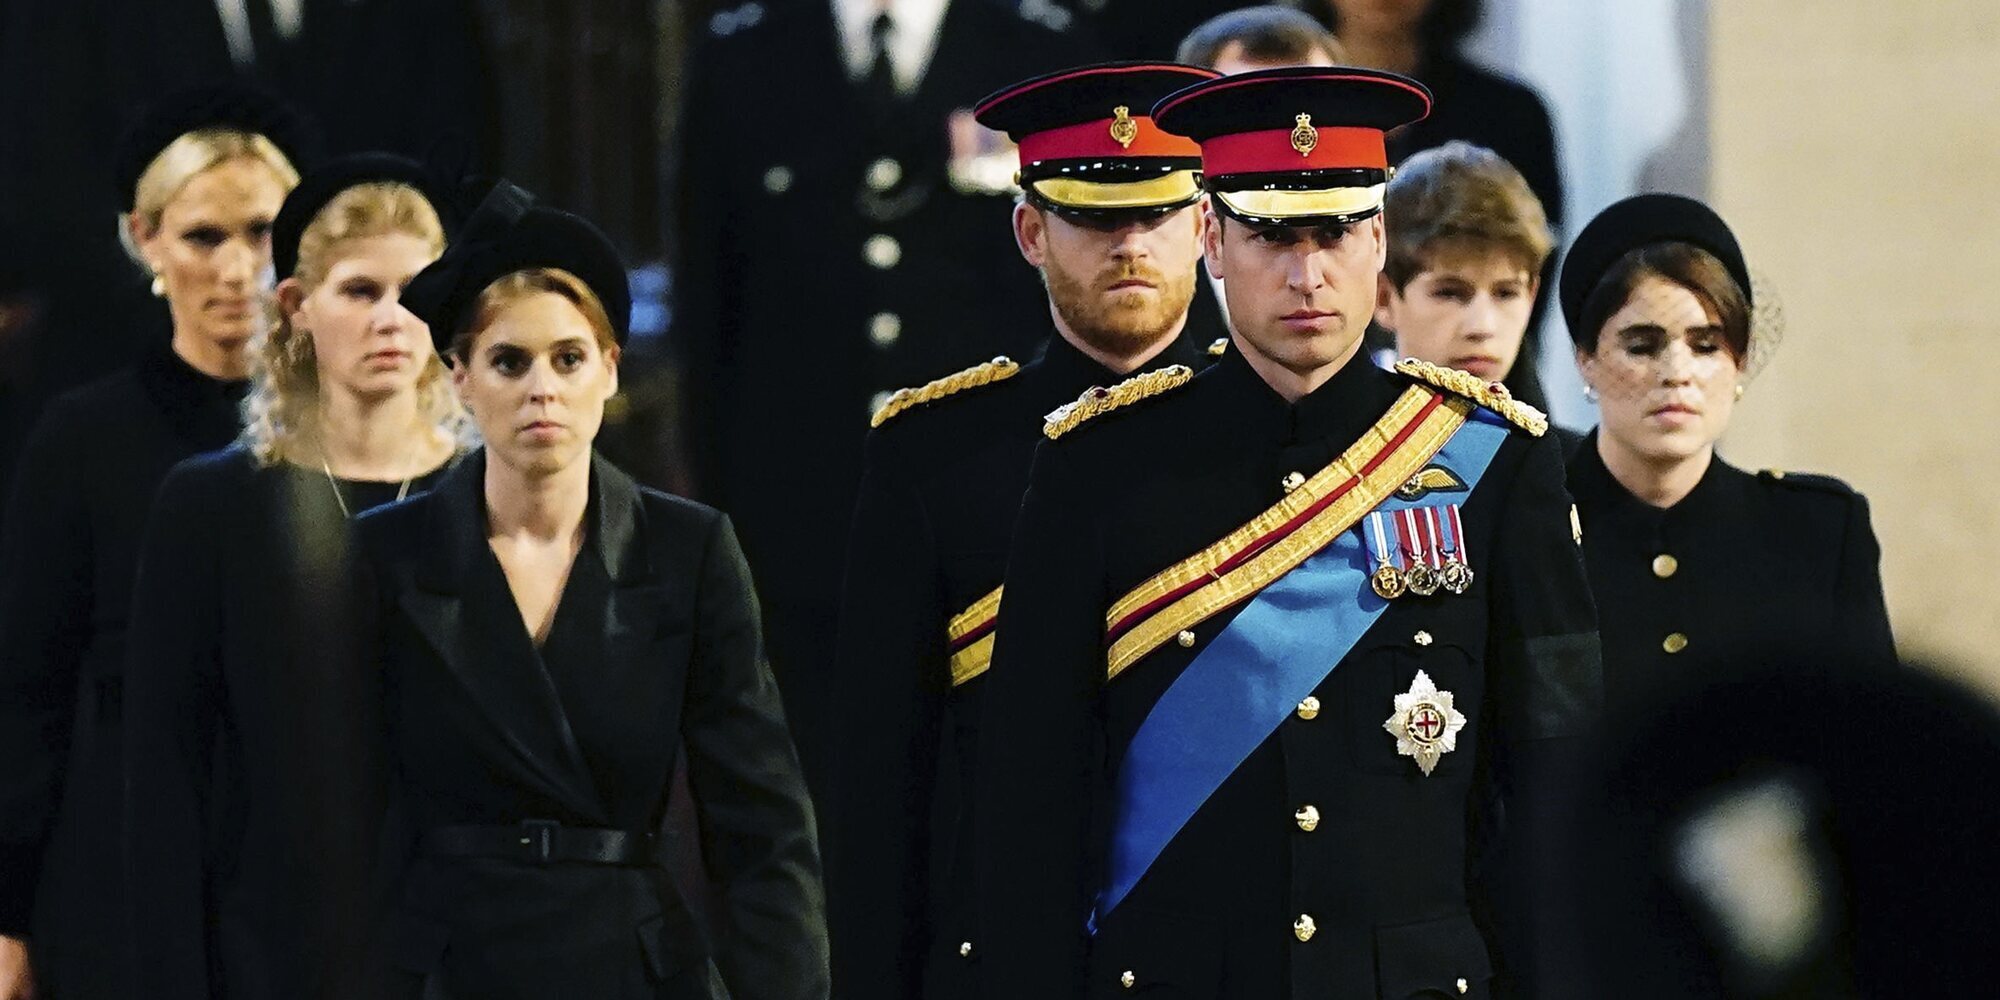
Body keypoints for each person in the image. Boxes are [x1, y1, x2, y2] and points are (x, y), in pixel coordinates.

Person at [976, 67, 1601, 998]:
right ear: (1213, 241)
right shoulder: (1099, 465)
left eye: (1337, 232)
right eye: (1272, 234)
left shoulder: (1497, 464)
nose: (1308, 273)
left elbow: (1560, 779)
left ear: (1379, 240)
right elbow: (1031, 795)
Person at [364, 189, 827, 999]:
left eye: (569, 358)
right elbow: (345, 815)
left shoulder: (688, 551)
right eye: (510, 361)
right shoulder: (387, 555)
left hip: (632, 970)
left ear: (610, 371)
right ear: (460, 378)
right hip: (445, 969)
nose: (542, 387)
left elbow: (762, 829)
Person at [827, 61, 1224, 1000]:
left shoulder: (1262, 440)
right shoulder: (936, 455)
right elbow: (884, 785)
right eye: (1093, 217)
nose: (1130, 244)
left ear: (1205, 229)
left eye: (1157, 216)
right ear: (1031, 233)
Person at [671, 0, 1097, 795]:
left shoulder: (1038, 48)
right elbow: (710, 314)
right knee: (812, 800)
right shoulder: (743, 57)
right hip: (800, 520)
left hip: (999, 509)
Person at [122, 153, 466, 1000]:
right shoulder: (213, 505)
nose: (393, 318)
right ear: (296, 305)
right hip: (273, 948)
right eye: (360, 290)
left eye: (414, 291)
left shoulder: (486, 496)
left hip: (465, 950)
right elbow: (166, 776)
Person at [0, 82, 312, 1000]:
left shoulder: (349, 433)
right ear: (146, 241)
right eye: (204, 236)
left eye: (261, 232)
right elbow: (26, 687)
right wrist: (8, 914)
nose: (237, 268)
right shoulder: (82, 437)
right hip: (117, 856)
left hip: (301, 860)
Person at [1560, 194, 1894, 714]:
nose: (1676, 372)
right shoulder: (1532, 528)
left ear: (1739, 362)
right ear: (1586, 360)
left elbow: (1871, 742)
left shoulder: (1819, 531)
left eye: (1707, 345)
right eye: (1642, 345)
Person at [1372, 141, 1577, 451]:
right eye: (1449, 293)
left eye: (1506, 293)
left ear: (1532, 296)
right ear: (1384, 299)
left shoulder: (1571, 472)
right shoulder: (1328, 453)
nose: (1482, 327)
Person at [1175, 5, 1347, 339]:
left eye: (1308, 110)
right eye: (1250, 115)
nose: (1284, 138)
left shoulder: (1385, 291)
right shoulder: (1148, 298)